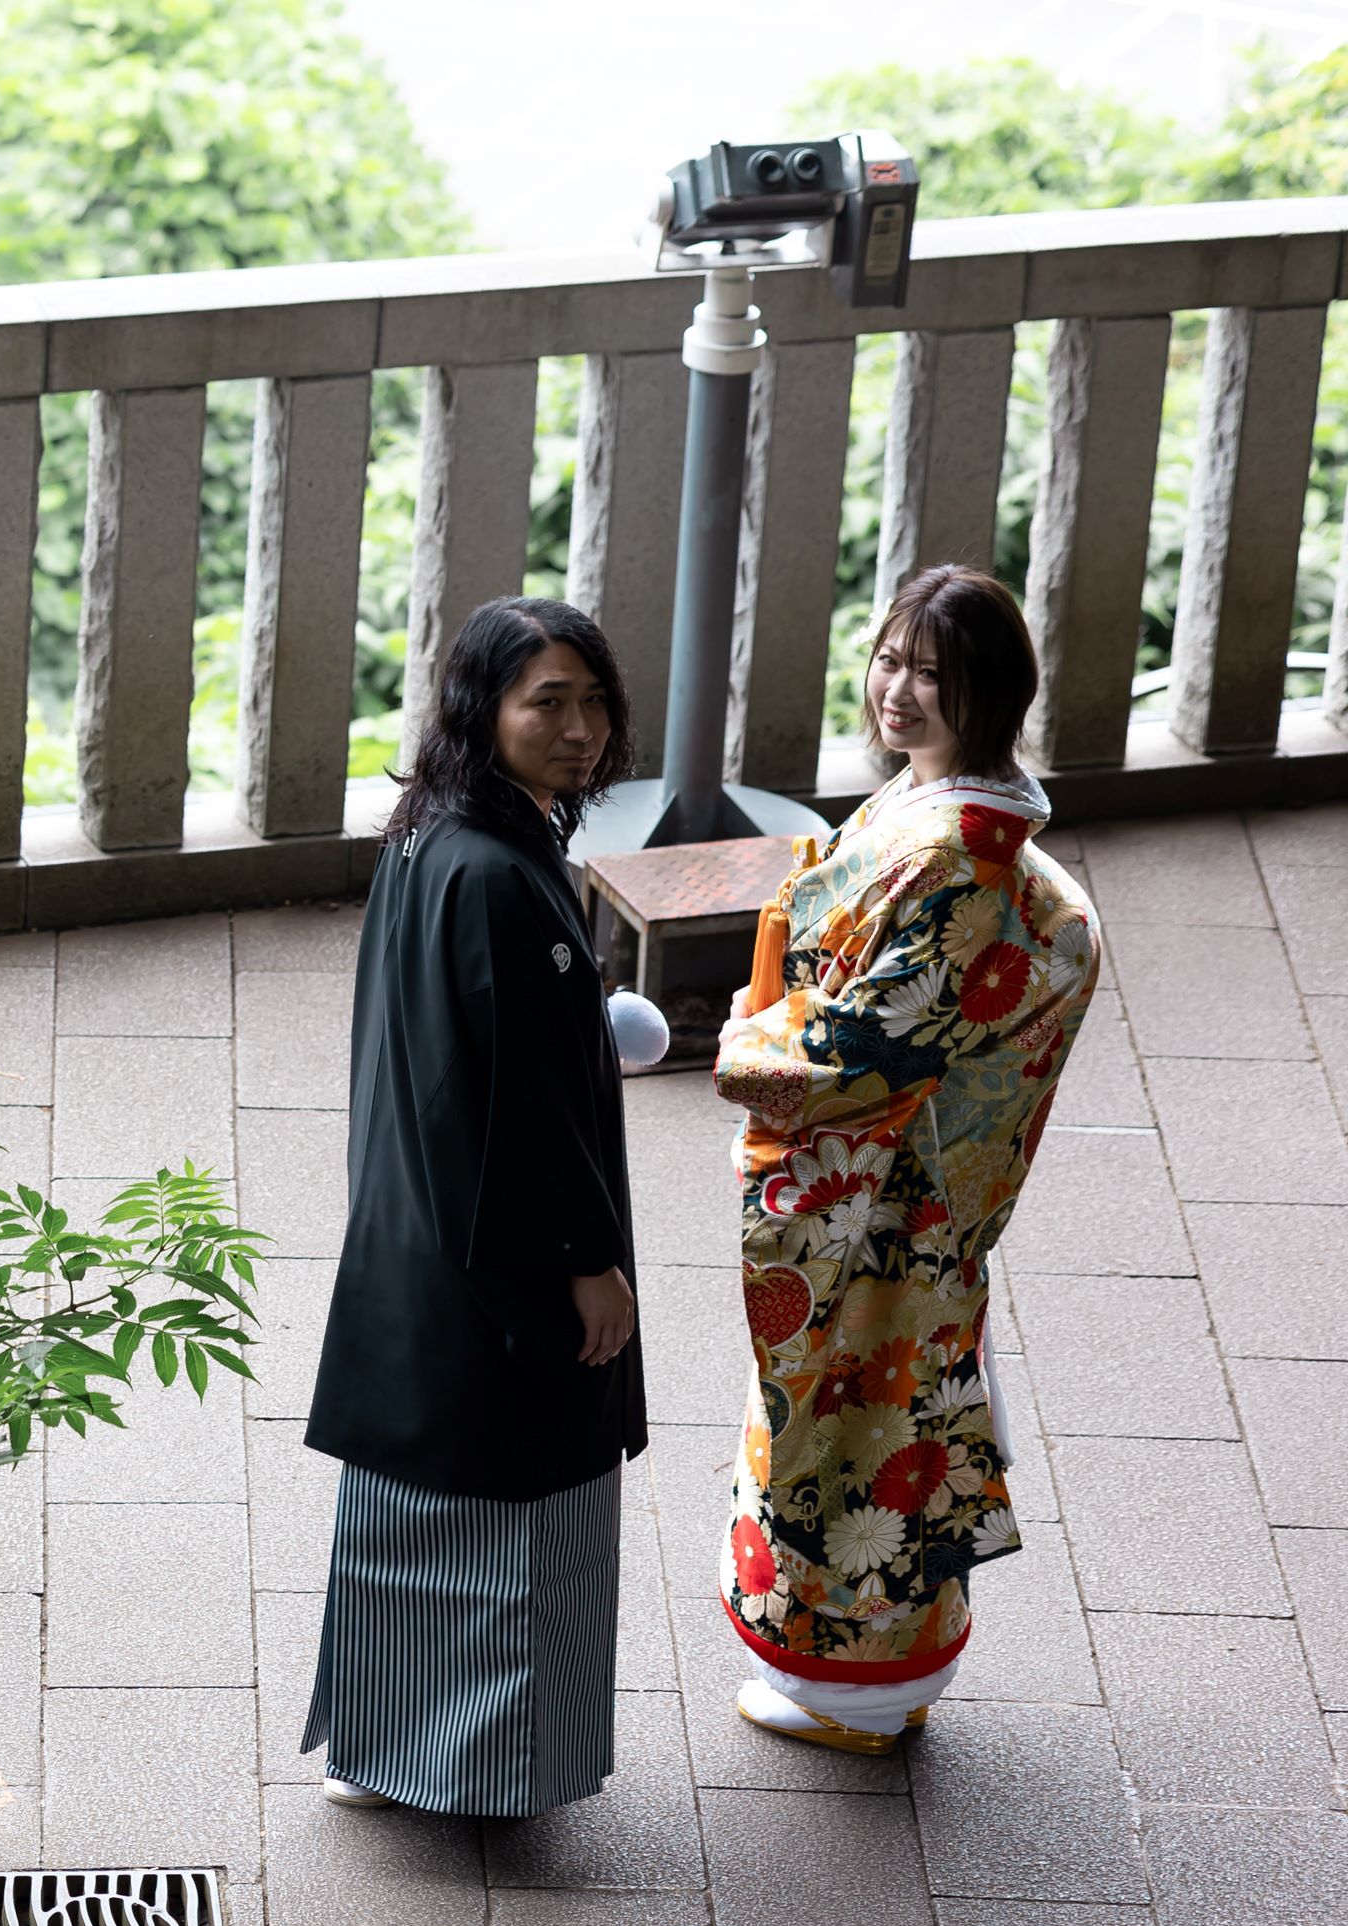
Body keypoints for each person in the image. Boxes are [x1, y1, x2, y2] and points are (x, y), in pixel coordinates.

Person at [716, 564, 1101, 1755]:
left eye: (933, 674)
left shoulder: (958, 853)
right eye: (891, 659)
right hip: (909, 1183)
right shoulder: (956, 815)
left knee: (856, 1431)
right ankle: (875, 1676)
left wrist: (750, 1039)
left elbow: (864, 1045)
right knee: (890, 1411)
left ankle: (860, 1691)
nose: (900, 690)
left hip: (888, 1191)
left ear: (990, 693)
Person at [302, 596, 647, 1815]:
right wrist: (585, 1261)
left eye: (591, 700)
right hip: (501, 1254)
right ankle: (490, 1771)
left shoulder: (427, 832)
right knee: (513, 1518)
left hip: (412, 1237)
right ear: (484, 712)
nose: (579, 729)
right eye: (544, 703)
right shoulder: (501, 876)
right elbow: (530, 1109)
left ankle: (381, 1752)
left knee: (411, 1508)